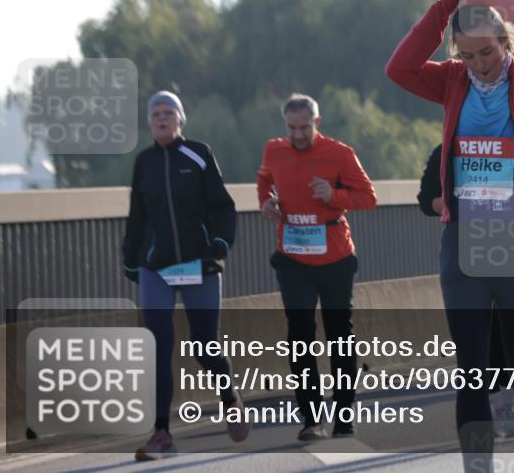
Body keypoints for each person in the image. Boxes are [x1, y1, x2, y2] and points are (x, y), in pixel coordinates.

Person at [387, 0, 514, 473]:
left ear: (506, 43)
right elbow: (399, 68)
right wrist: (445, 7)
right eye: (467, 54)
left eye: (487, 51)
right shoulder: (452, 81)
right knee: (471, 374)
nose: (479, 64)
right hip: (464, 238)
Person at [122, 91, 247, 460]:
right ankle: (161, 432)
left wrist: (220, 243)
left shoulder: (198, 153)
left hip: (198, 263)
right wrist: (131, 260)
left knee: (204, 346)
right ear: (149, 122)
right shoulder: (143, 162)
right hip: (156, 267)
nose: (162, 119)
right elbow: (137, 217)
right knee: (158, 348)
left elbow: (223, 206)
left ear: (180, 119)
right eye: (155, 114)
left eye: (168, 113)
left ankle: (230, 398)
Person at [256, 94, 377, 439]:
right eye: (292, 128)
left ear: (317, 123)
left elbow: (368, 198)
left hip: (335, 256)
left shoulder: (340, 153)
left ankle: (344, 416)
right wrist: (267, 203)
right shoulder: (273, 150)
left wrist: (334, 196)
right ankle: (311, 419)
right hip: (292, 257)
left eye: (304, 127)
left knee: (339, 335)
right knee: (300, 335)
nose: (297, 134)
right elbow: (265, 180)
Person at [416, 143, 514, 439]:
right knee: (472, 344)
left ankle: (505, 404)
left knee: (503, 336)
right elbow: (427, 201)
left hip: (509, 249)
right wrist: (457, 201)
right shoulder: (444, 151)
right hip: (463, 255)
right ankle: (481, 418)